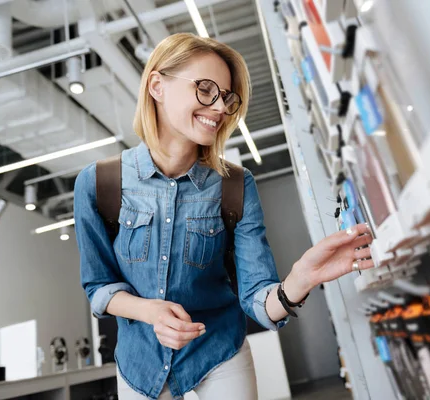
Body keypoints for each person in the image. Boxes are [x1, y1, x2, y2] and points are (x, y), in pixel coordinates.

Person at [74, 33, 374, 400]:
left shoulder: (235, 185)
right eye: (205, 89)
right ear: (157, 85)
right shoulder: (99, 183)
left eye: (227, 98)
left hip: (218, 351)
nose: (219, 107)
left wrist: (299, 280)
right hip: (141, 361)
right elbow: (98, 287)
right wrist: (149, 311)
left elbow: (256, 297)